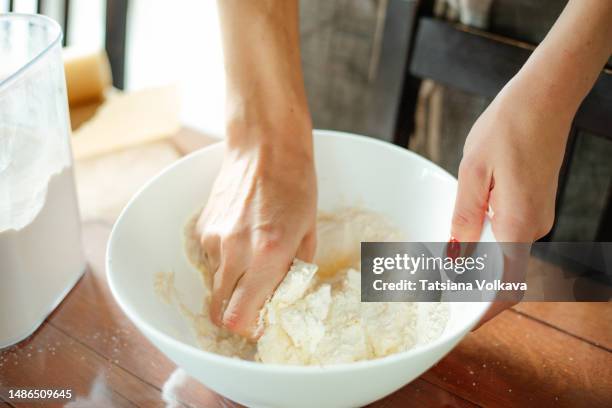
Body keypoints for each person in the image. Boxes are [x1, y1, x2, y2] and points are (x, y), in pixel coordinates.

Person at [196, 0, 612, 337]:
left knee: (561, 299)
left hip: (562, 35)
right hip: (318, 24)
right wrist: (263, 132)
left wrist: (552, 94)